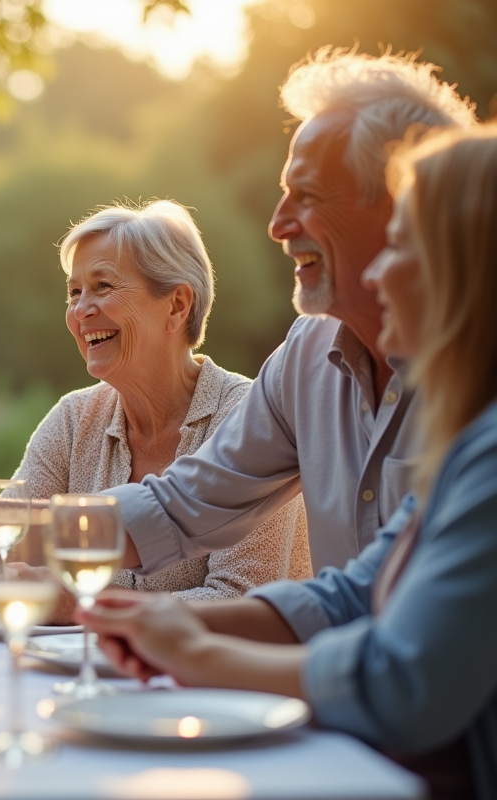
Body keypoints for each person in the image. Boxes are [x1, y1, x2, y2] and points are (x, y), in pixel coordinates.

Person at [0, 48, 476, 577]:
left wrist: (128, 622)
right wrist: (5, 527)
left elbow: (378, 631)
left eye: (308, 195)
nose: (276, 224)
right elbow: (182, 507)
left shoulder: (476, 374)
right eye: (74, 291)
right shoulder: (305, 357)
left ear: (407, 201)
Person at [82, 124, 497, 800]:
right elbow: (354, 594)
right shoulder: (466, 439)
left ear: (468, 268)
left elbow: (403, 682)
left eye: (402, 244)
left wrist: (200, 653)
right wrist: (169, 624)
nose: (379, 271)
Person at [0, 200, 309, 616]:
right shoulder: (72, 421)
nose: (81, 310)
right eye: (74, 292)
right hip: (74, 676)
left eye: (103, 286)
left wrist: (75, 605)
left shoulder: (250, 418)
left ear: (176, 305)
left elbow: (241, 600)